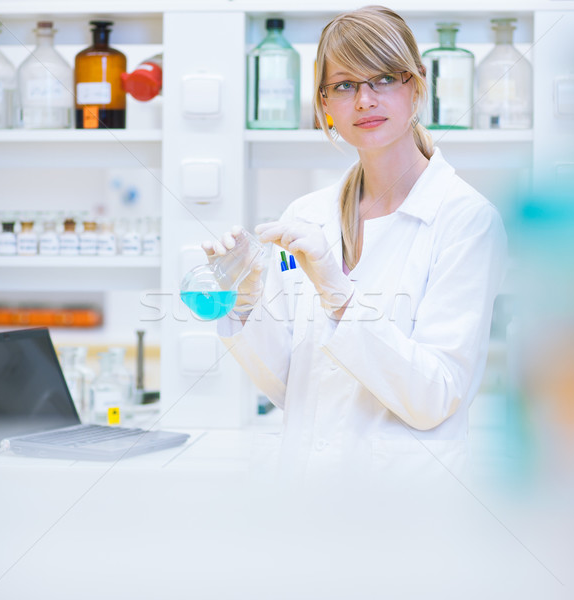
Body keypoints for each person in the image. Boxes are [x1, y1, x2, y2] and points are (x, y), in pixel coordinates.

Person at [202, 5, 507, 481]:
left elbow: (436, 397)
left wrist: (340, 299)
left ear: (416, 84)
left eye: (384, 78)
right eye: (344, 85)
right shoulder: (305, 215)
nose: (364, 100)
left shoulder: (466, 219)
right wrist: (244, 303)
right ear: (324, 103)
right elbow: (291, 387)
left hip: (406, 509)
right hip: (306, 496)